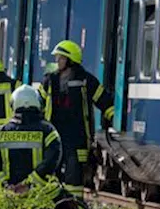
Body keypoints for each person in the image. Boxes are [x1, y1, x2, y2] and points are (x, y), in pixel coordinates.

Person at [39, 40, 115, 196]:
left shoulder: (86, 80)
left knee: (74, 178)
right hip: (54, 136)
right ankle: (54, 207)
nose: (57, 61)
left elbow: (104, 101)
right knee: (52, 174)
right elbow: (38, 103)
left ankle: (73, 208)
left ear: (70, 60)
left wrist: (114, 119)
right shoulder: (50, 80)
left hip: (77, 137)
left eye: (60, 58)